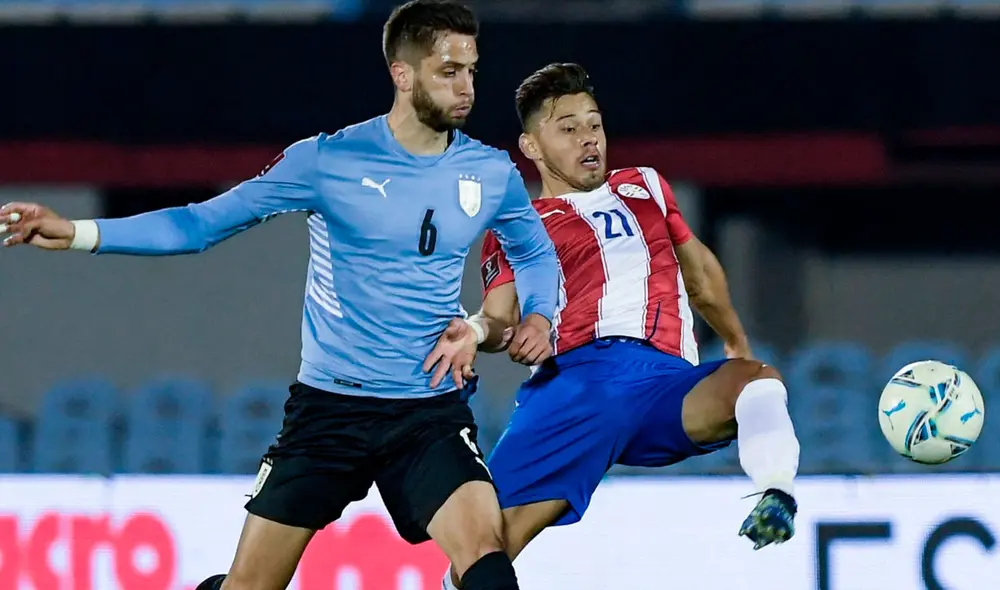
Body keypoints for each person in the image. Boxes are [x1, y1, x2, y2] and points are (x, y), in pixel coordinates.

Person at [0, 3, 559, 590]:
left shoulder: (489, 172)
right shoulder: (327, 160)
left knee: (488, 564)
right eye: (449, 71)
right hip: (329, 413)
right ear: (403, 73)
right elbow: (198, 224)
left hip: (428, 412)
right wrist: (78, 234)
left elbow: (535, 251)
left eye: (472, 70)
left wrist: (540, 314)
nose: (466, 87)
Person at [425, 63, 801, 589]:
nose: (588, 140)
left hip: (664, 383)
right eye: (568, 128)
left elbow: (700, 274)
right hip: (579, 387)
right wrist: (477, 332)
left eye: (594, 124)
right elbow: (498, 315)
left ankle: (777, 494)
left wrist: (737, 342)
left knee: (758, 381)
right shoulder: (516, 226)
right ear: (531, 146)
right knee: (487, 548)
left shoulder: (645, 185)